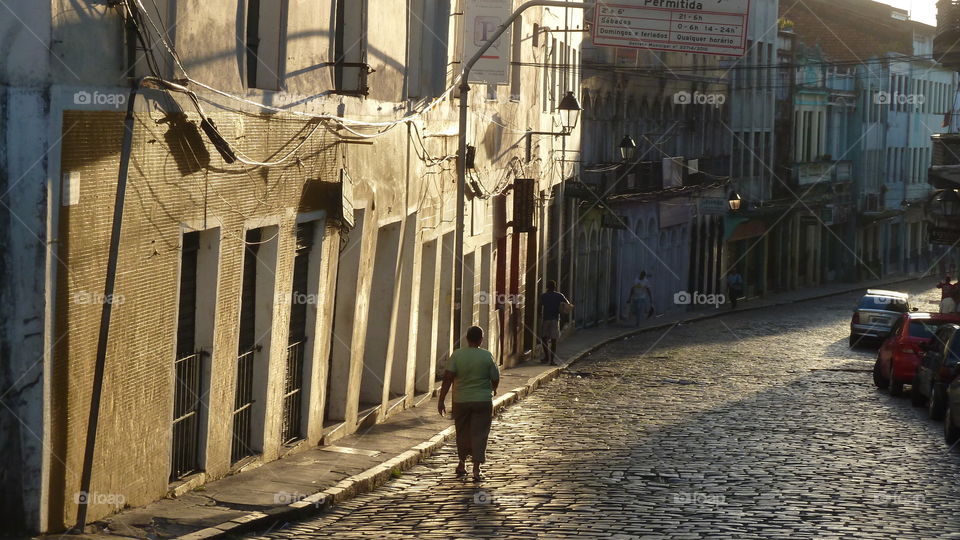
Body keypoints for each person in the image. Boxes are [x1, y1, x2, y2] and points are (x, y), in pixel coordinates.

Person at [437, 326, 499, 481]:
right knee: (480, 433)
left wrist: (441, 399)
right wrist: (494, 389)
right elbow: (495, 377)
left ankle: (462, 463)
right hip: (482, 401)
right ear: (481, 340)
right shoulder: (487, 356)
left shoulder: (457, 355)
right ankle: (476, 469)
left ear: (467, 338)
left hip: (461, 400)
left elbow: (448, 378)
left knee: (462, 432)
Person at [539, 280, 571, 365]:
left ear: (547, 287)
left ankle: (546, 357)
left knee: (544, 338)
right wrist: (563, 312)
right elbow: (567, 304)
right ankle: (552, 360)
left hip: (546, 319)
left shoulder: (543, 296)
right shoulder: (559, 295)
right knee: (554, 340)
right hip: (555, 319)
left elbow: (539, 306)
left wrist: (540, 316)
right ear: (555, 287)